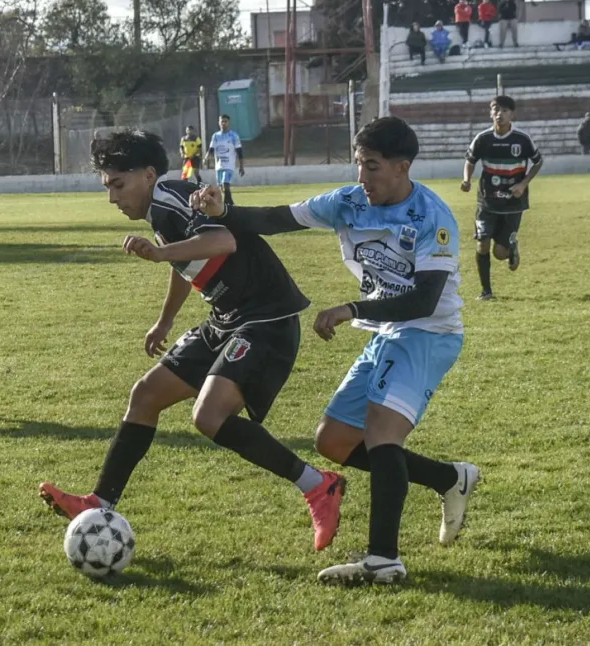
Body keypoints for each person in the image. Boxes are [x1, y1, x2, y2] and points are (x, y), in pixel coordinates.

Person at [192, 116, 477, 585]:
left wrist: (350, 307)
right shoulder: (348, 202)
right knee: (334, 441)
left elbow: (424, 299)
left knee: (383, 435)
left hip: (429, 333)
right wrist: (226, 210)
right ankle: (449, 478)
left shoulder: (432, 216)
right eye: (359, 164)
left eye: (373, 167)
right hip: (385, 332)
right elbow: (279, 218)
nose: (362, 177)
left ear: (404, 167)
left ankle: (383, 560)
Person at [39, 129, 346, 552]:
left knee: (209, 417)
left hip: (265, 319)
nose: (112, 197)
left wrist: (161, 252)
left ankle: (319, 486)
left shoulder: (169, 196)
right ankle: (100, 500)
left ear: (148, 175)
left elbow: (225, 239)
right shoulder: (159, 204)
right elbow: (188, 254)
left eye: (117, 184)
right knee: (146, 396)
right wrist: (164, 321)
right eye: (106, 186)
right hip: (228, 318)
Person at [461, 95, 543, 301]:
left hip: (513, 203)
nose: (500, 114)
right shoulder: (482, 139)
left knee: (499, 253)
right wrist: (467, 179)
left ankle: (511, 248)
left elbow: (538, 162)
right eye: (496, 110)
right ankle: (486, 291)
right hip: (487, 201)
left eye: (505, 110)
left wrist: (523, 184)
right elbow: (470, 160)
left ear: (512, 114)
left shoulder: (522, 139)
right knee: (482, 244)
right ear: (491, 113)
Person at [204, 115, 245, 206]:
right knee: (222, 187)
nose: (223, 123)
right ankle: (230, 203)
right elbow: (211, 149)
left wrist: (241, 167)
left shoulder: (233, 136)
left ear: (228, 123)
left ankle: (227, 205)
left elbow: (239, 151)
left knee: (225, 184)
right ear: (219, 123)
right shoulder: (215, 136)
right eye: (222, 121)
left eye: (225, 121)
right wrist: (206, 158)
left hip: (229, 165)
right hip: (219, 165)